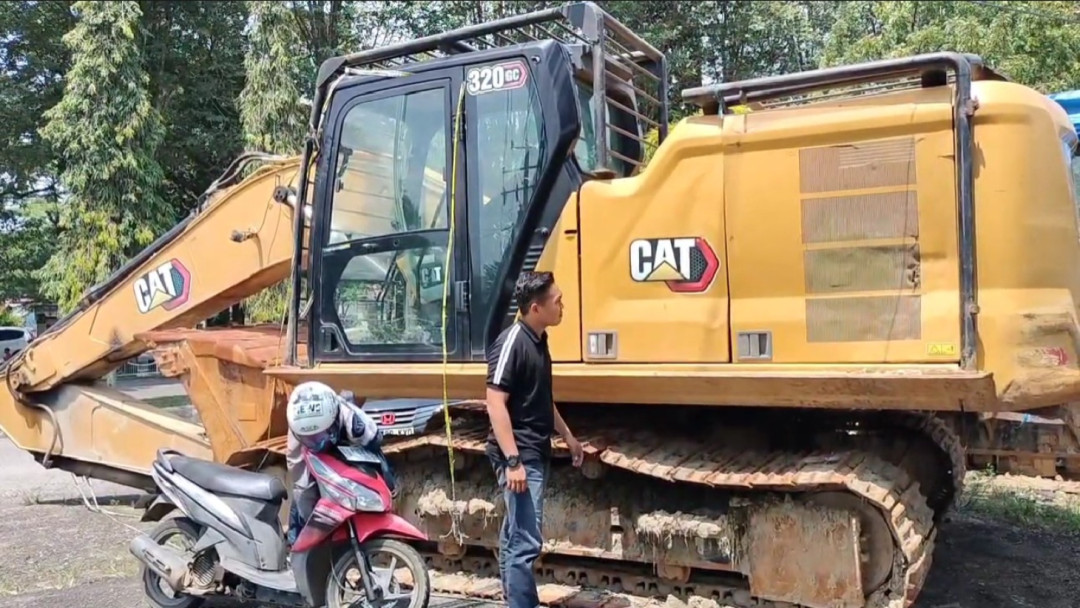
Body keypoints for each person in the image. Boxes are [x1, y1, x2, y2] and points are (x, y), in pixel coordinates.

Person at [484, 271, 583, 608]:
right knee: (525, 541)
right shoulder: (513, 342)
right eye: (557, 301)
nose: (563, 305)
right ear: (536, 308)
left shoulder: (539, 341)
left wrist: (567, 436)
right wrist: (513, 462)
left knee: (515, 535)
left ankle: (513, 597)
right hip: (520, 454)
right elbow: (495, 401)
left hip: (534, 449)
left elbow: (540, 398)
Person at [284, 381, 392, 544]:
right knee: (301, 497)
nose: (317, 442)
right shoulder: (298, 437)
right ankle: (294, 541)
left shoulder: (357, 425)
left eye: (320, 436)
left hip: (345, 442)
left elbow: (376, 448)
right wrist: (309, 519)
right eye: (311, 438)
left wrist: (387, 484)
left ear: (334, 421)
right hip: (310, 453)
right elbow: (301, 484)